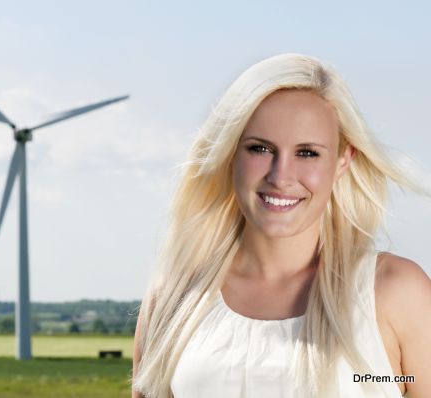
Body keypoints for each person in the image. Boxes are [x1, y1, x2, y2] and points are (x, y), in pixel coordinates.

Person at [131, 53, 431, 398]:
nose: (280, 176)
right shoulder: (175, 295)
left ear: (343, 160)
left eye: (307, 153)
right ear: (230, 155)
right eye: (259, 148)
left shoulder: (396, 293)